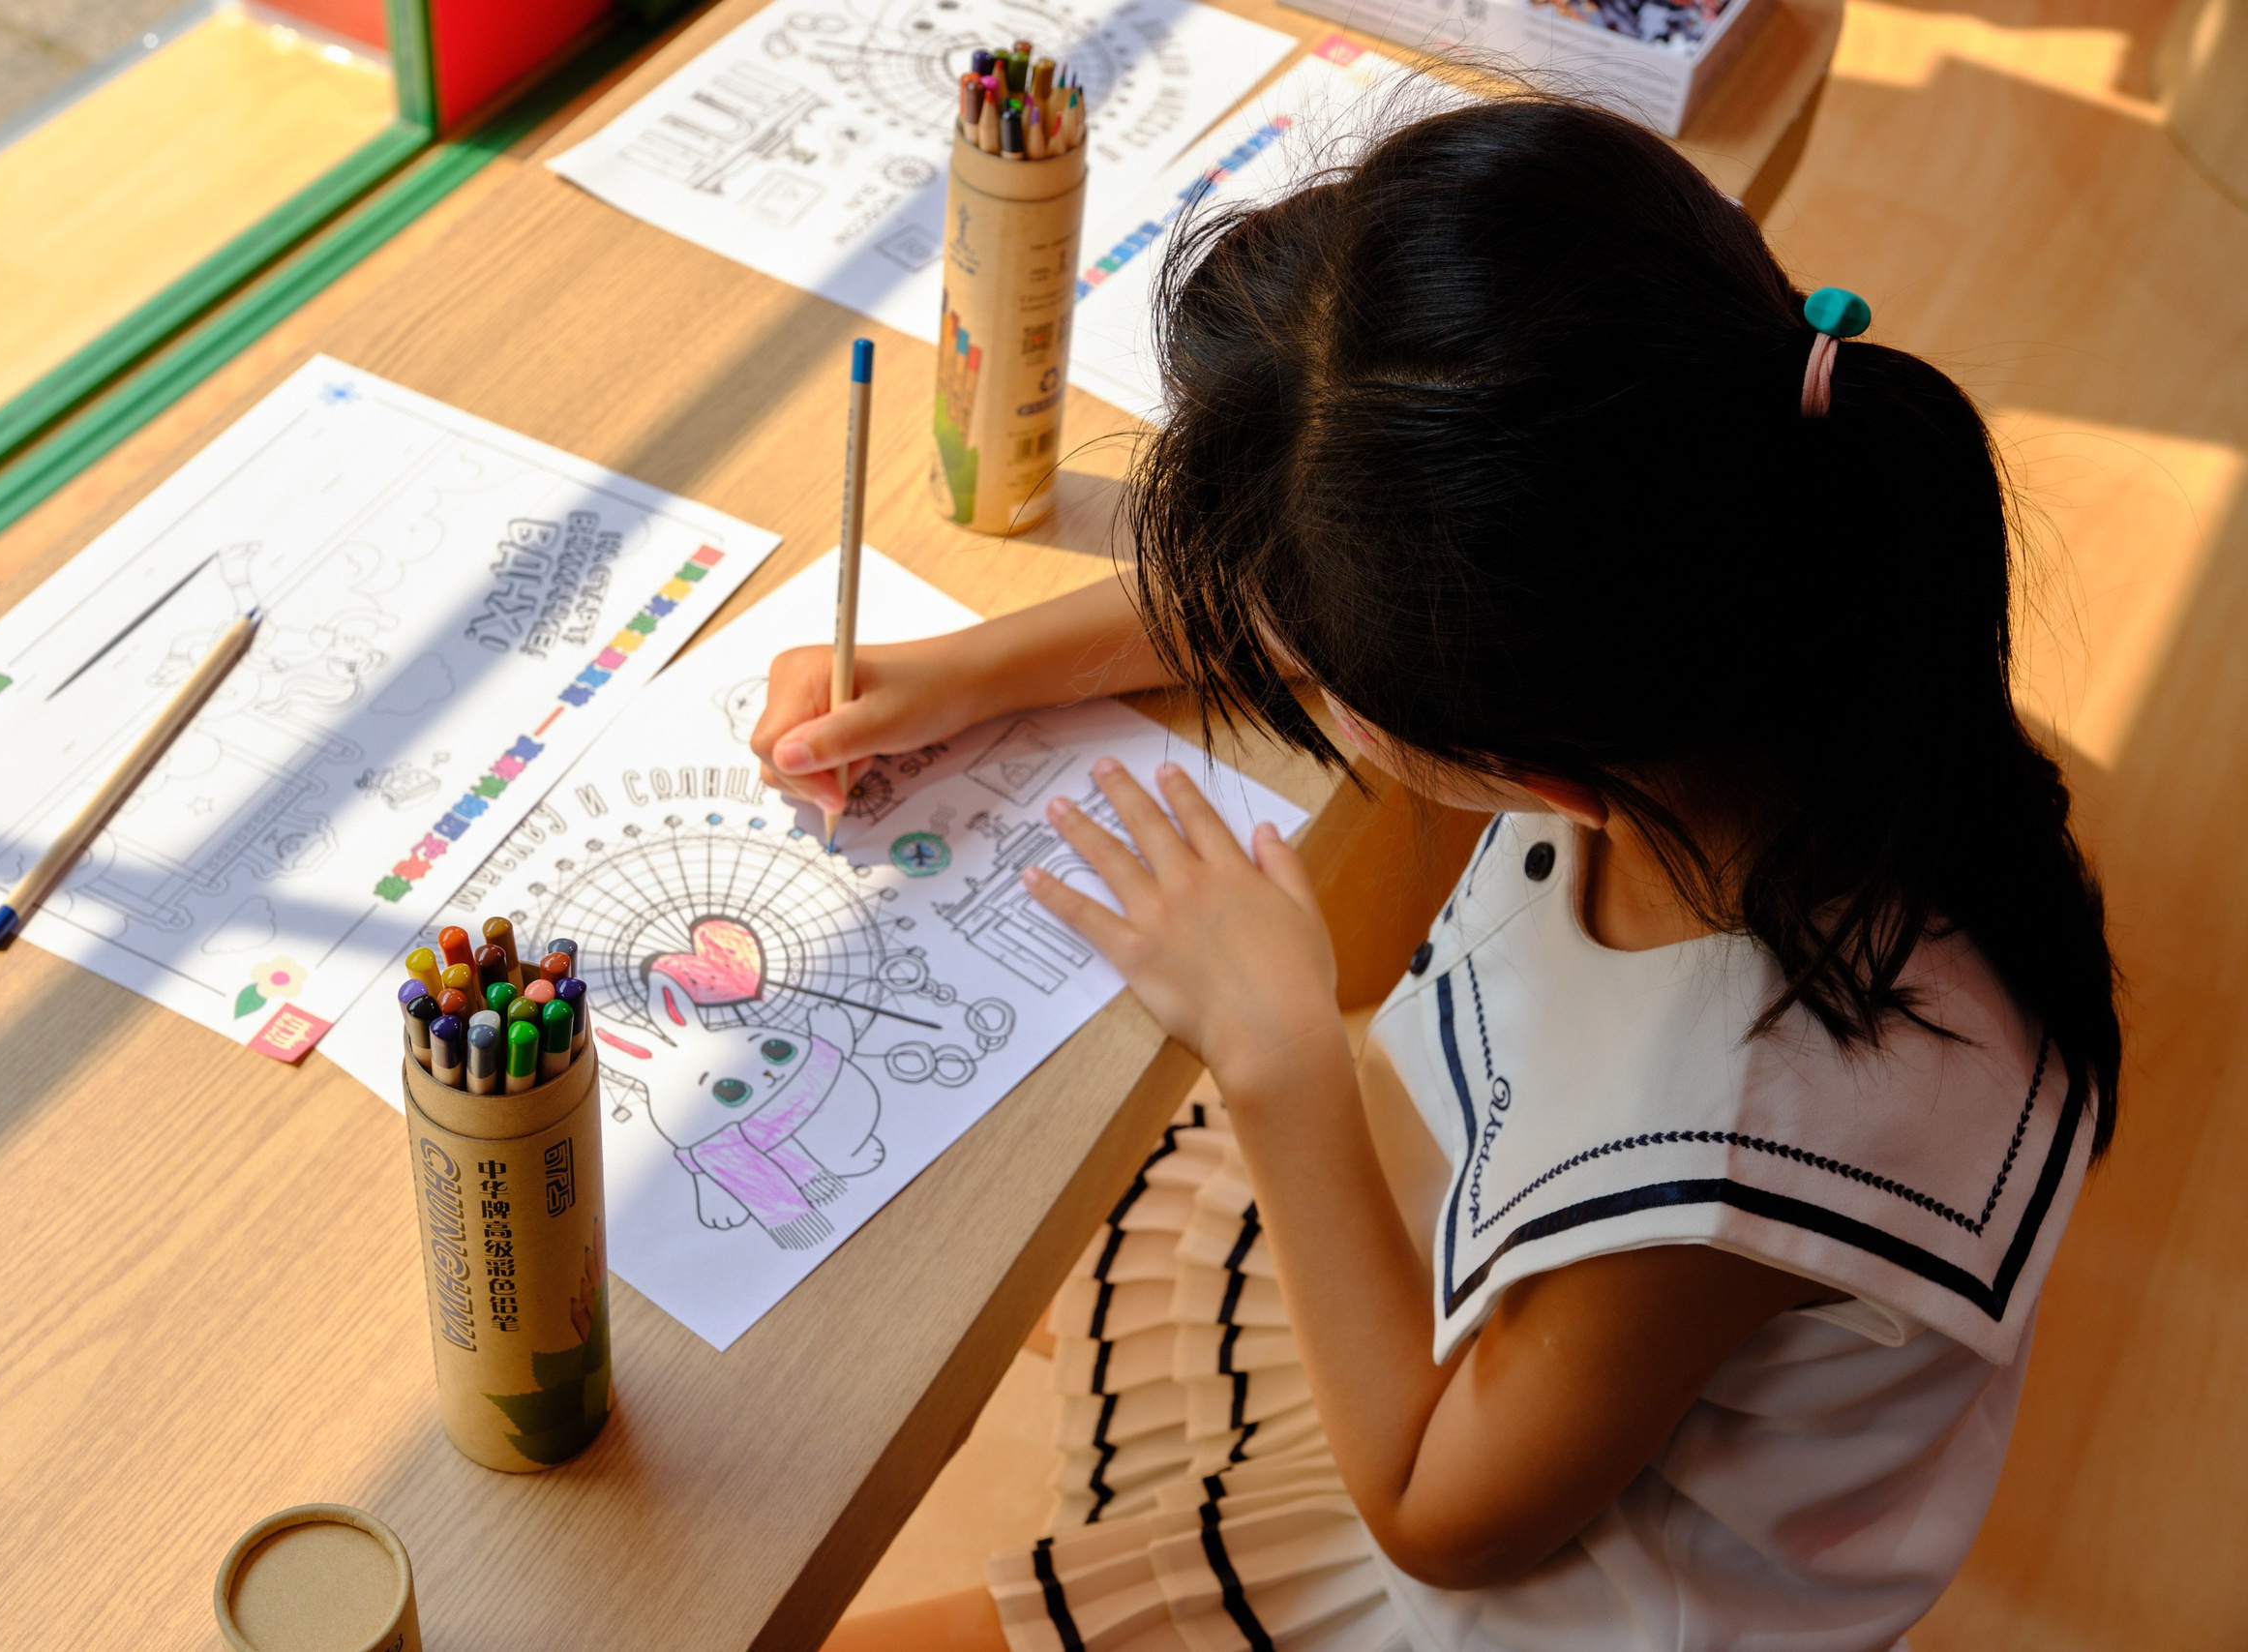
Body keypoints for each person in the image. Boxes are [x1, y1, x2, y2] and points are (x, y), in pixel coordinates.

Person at [764, 96, 2119, 1652]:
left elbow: (1435, 1519)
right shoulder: (1764, 611)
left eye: (1332, 679)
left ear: (1530, 778)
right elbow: (1337, 579)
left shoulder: (1734, 1144)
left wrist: (1278, 1057)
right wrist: (964, 673)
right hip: (1484, 1256)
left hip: (1520, 1583)